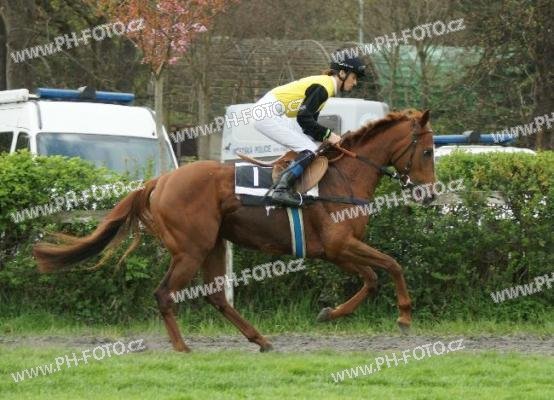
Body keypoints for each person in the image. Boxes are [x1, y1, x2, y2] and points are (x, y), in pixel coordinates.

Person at [253, 51, 366, 207]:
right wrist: (329, 134)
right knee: (309, 149)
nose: (355, 82)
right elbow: (304, 118)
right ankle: (281, 190)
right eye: (354, 77)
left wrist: (327, 139)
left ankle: (301, 188)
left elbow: (308, 126)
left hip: (276, 113)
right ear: (342, 73)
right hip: (267, 114)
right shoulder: (324, 87)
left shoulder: (326, 86)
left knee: (313, 146)